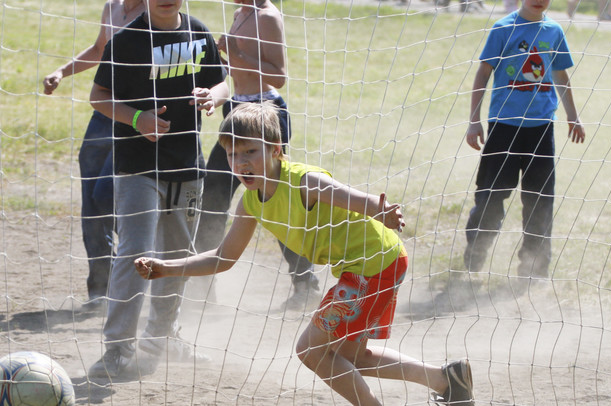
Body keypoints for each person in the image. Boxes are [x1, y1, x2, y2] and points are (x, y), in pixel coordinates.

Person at [135, 102, 475, 406]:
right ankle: (447, 379)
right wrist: (167, 267)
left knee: (311, 351)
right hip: (374, 264)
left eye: (250, 152)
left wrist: (378, 209)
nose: (241, 163)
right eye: (233, 155)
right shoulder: (250, 203)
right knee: (349, 356)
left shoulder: (302, 181)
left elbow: (346, 194)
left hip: (374, 265)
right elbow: (224, 257)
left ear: (276, 150)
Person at [86, 0, 230, 381]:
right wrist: (138, 119)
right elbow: (98, 97)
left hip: (187, 168)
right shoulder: (127, 41)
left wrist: (213, 96)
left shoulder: (199, 32)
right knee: (135, 254)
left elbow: (224, 82)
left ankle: (162, 337)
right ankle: (116, 349)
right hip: (137, 169)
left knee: (177, 257)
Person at [198, 0, 321, 310]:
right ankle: (203, 291)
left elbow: (278, 75)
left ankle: (306, 284)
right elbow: (236, 74)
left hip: (265, 116)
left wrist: (233, 51)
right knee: (213, 198)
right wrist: (216, 94)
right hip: (236, 112)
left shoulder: (267, 16)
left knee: (273, 200)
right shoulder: (241, 11)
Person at [464, 0, 586, 280]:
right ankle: (476, 251)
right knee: (491, 196)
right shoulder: (503, 29)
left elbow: (561, 77)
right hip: (503, 128)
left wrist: (573, 116)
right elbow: (482, 75)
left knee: (540, 202)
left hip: (541, 130)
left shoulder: (554, 31)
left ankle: (534, 269)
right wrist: (474, 120)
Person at [42, 0, 144, 307]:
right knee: (92, 202)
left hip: (135, 122)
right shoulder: (112, 8)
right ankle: (100, 291)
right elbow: (99, 49)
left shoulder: (154, 15)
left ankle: (136, 274)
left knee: (108, 198)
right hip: (103, 116)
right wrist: (62, 71)